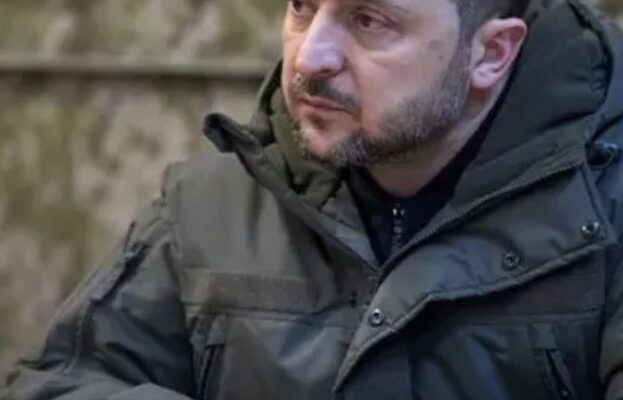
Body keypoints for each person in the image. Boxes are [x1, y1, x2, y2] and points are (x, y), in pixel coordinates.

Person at [4, 0, 623, 398]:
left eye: (368, 20)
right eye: (302, 7)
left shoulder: (606, 208)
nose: (309, 57)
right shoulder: (212, 203)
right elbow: (60, 382)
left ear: (491, 53)